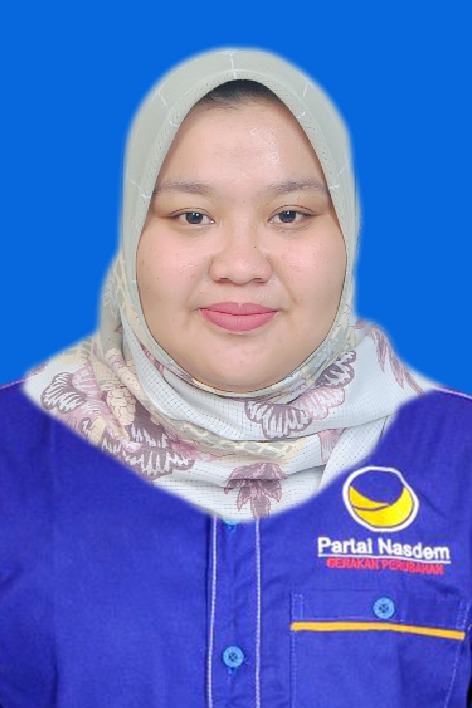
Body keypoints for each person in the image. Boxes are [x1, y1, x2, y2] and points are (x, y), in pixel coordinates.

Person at [0, 48, 471, 707]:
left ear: (348, 232)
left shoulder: (458, 457)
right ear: (131, 234)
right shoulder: (12, 454)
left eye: (290, 215)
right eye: (191, 216)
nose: (242, 265)